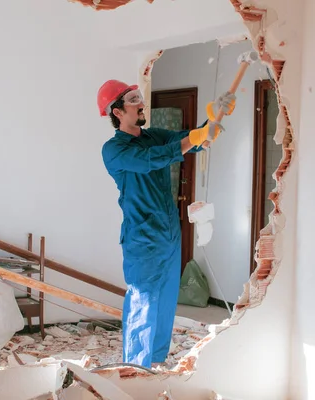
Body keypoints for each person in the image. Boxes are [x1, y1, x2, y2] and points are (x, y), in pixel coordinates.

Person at [97, 79, 235, 368]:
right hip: (142, 235)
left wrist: (213, 118)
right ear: (117, 111)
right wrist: (195, 139)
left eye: (138, 97)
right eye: (133, 99)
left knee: (165, 299)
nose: (140, 103)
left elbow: (190, 141)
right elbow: (152, 160)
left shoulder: (154, 135)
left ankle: (155, 363)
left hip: (169, 232)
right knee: (144, 300)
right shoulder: (114, 150)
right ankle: (134, 366)